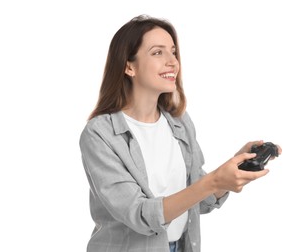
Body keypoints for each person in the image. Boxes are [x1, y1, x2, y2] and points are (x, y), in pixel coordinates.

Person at [79, 14, 282, 252]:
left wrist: (231, 171)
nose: (172, 61)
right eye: (157, 52)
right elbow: (139, 215)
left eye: (173, 52)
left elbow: (200, 200)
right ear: (128, 66)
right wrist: (213, 180)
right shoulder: (100, 134)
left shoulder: (179, 122)